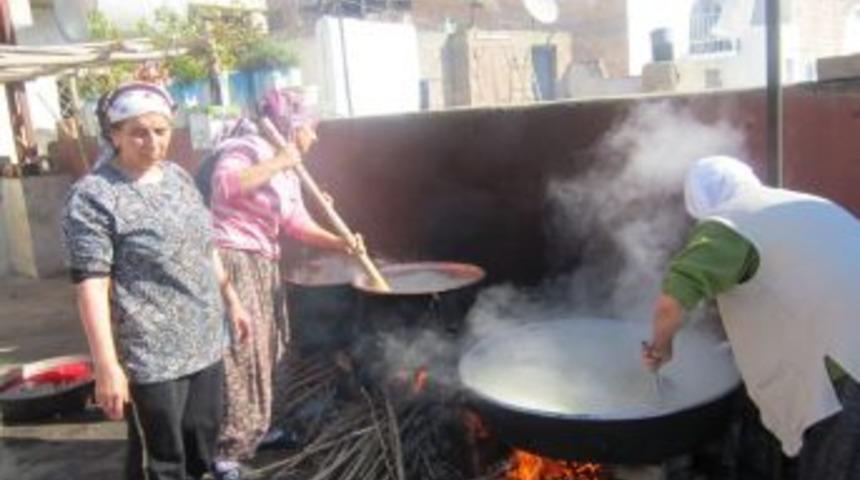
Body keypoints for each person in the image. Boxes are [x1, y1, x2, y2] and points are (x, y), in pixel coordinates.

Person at [61, 82, 250, 480]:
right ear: (114, 135)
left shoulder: (178, 178)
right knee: (163, 463)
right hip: (151, 356)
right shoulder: (94, 196)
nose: (152, 142)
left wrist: (231, 299)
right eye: (138, 132)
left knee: (202, 448)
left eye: (160, 131)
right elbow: (90, 285)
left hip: (204, 341)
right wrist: (106, 364)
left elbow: (204, 244)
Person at [642, 155, 860, 479]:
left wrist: (661, 348)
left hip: (843, 370)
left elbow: (670, 305)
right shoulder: (800, 204)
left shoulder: (729, 223)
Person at [207, 89, 354, 480]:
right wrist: (278, 161)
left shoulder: (289, 170)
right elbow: (225, 186)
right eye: (311, 127)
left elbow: (297, 224)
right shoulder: (246, 147)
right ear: (291, 125)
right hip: (233, 261)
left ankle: (257, 431)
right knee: (242, 354)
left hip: (263, 264)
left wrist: (342, 242)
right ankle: (227, 451)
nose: (315, 137)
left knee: (270, 348)